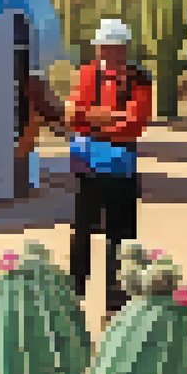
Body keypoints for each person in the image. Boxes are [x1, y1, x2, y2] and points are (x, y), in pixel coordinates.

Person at [65, 18, 152, 323]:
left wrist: (96, 123)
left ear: (124, 48)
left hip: (120, 168)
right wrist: (111, 119)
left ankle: (117, 303)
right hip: (87, 167)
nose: (109, 53)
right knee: (82, 232)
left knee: (121, 235)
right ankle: (74, 296)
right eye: (105, 48)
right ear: (98, 48)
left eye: (115, 48)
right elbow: (73, 115)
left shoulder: (139, 79)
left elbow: (136, 124)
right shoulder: (88, 74)